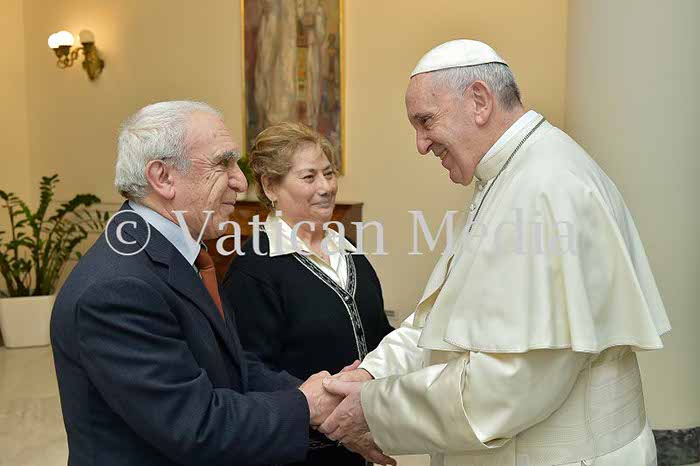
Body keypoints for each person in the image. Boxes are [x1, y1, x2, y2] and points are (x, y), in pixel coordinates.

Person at [319, 39, 671, 466]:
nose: (421, 144)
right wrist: (372, 372)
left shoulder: (544, 188)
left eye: (426, 121)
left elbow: (506, 388)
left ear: (480, 101)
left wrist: (373, 407)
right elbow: (439, 320)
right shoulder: (510, 176)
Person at [50, 101, 342, 466]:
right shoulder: (117, 288)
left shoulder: (182, 255)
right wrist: (306, 404)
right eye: (223, 163)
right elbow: (196, 425)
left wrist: (324, 395)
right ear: (163, 177)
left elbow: (231, 368)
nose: (240, 181)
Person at [220, 122, 394, 466]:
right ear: (270, 186)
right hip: (299, 453)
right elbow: (248, 368)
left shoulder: (350, 252)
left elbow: (379, 334)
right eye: (309, 177)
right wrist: (331, 413)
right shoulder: (254, 269)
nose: (326, 187)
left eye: (328, 174)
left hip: (357, 445)